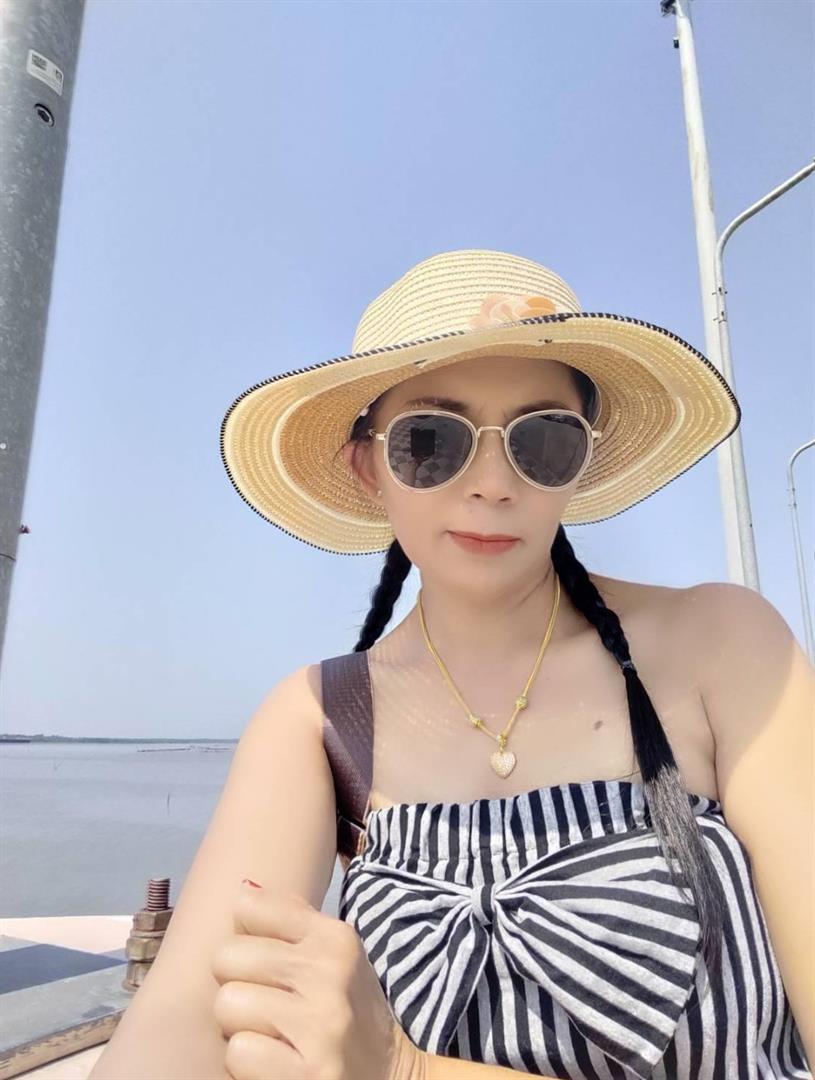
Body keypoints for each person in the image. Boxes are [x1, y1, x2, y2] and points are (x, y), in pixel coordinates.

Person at [90, 249, 814, 1080]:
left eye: (543, 439)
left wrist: (407, 1069)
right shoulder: (319, 718)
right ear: (367, 467)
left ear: (581, 461)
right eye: (431, 440)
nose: (493, 483)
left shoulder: (721, 645)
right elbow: (178, 1023)